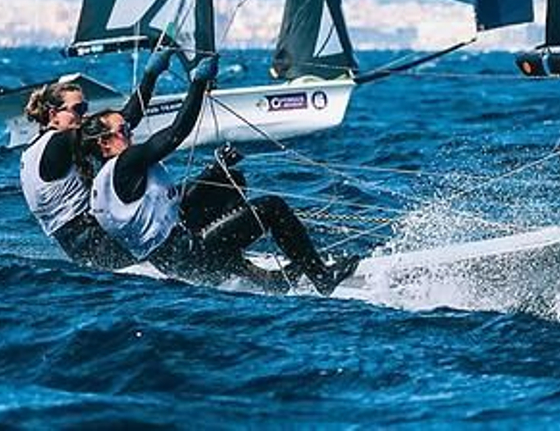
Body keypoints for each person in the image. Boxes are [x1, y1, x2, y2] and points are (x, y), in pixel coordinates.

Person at [84, 56, 357, 294]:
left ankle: (261, 278)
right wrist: (198, 84)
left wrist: (212, 172)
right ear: (103, 144)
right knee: (271, 208)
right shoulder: (125, 162)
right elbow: (177, 132)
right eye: (123, 131)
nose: (130, 133)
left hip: (171, 261)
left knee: (227, 181)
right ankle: (322, 277)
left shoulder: (100, 182)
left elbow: (157, 209)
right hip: (191, 254)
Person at [18, 48, 175, 269]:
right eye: (78, 109)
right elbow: (125, 120)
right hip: (88, 236)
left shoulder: (32, 148)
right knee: (149, 277)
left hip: (75, 241)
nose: (83, 115)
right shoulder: (60, 142)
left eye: (85, 108)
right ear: (53, 115)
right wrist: (150, 76)